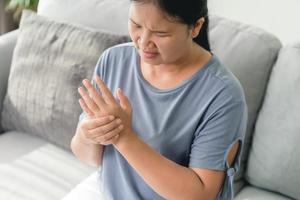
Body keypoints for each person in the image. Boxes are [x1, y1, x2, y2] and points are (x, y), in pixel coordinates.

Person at [70, 0, 247, 199]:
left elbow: (201, 194)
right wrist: (89, 135)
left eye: (161, 33)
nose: (143, 41)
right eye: (136, 25)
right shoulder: (113, 60)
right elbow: (90, 157)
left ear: (196, 27)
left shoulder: (223, 96)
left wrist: (124, 138)